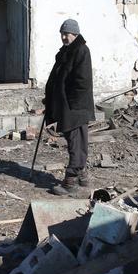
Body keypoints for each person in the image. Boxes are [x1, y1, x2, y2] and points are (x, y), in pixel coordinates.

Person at [44, 19, 95, 196]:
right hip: (67, 106)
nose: (64, 37)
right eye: (62, 34)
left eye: (67, 33)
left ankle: (71, 181)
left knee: (76, 142)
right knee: (76, 142)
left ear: (76, 34)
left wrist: (72, 104)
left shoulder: (81, 51)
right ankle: (83, 177)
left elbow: (83, 81)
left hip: (75, 107)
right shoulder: (66, 51)